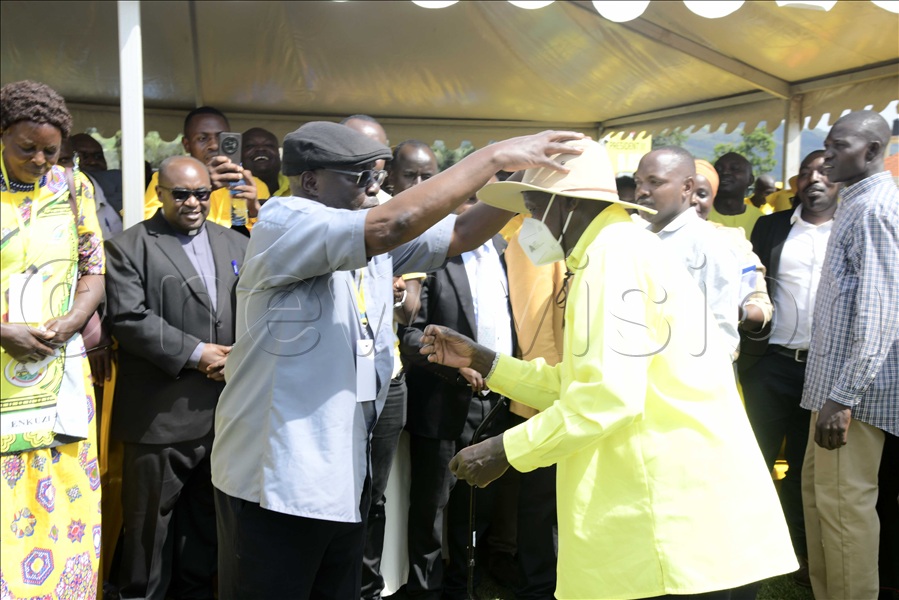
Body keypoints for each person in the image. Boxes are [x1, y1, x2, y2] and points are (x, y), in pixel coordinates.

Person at [209, 122, 584, 599]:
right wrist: (492, 156)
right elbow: (392, 225)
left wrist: (519, 179)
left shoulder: (364, 226)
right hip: (275, 481)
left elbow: (463, 231)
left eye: (379, 175)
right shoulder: (288, 220)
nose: (374, 187)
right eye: (359, 176)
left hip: (340, 477)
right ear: (310, 181)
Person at [419, 138, 797, 599]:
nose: (526, 226)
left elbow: (605, 398)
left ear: (567, 206)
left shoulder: (613, 260)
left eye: (532, 208)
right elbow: (583, 383)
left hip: (674, 521)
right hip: (682, 515)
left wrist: (504, 450)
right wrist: (487, 362)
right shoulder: (612, 250)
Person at [104, 155, 249, 600]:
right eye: (181, 194)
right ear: (159, 192)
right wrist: (196, 353)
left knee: (206, 536)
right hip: (160, 419)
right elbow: (129, 319)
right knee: (148, 538)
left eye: (202, 194)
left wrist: (241, 356)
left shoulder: (237, 244)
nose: (193, 203)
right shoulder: (129, 246)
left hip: (225, 417)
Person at [1, 80, 106, 599]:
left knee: (64, 495)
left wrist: (71, 322)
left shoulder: (73, 187)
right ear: (2, 135)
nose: (40, 159)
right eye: (27, 148)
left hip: (57, 371)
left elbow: (95, 269)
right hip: (3, 376)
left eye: (50, 150)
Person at [800, 110, 899, 600]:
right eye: (827, 144)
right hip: (832, 393)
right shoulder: (855, 202)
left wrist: (843, 398)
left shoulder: (875, 208)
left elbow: (880, 313)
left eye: (839, 146)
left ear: (873, 152)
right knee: (823, 503)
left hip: (849, 399)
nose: (826, 156)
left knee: (844, 510)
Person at [400, 214, 514, 598]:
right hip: (443, 399)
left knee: (477, 504)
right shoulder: (434, 257)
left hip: (499, 401)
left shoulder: (509, 253)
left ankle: (462, 586)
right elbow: (408, 333)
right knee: (432, 507)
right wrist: (457, 365)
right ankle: (425, 590)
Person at [739, 150, 839, 587]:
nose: (815, 179)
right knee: (752, 458)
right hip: (770, 363)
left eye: (825, 171)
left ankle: (797, 556)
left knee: (804, 468)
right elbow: (750, 284)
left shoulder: (852, 230)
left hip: (822, 371)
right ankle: (744, 550)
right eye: (807, 172)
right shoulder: (771, 226)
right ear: (795, 184)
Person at [361, 136, 438, 600]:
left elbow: (409, 309)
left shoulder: (403, 219)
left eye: (429, 177)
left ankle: (368, 586)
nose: (420, 185)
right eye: (413, 176)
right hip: (331, 380)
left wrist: (392, 294)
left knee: (375, 493)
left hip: (386, 378)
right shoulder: (312, 211)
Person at [635, 147, 741, 360]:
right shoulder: (636, 237)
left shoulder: (708, 245)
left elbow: (723, 337)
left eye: (655, 182)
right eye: (638, 182)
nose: (642, 191)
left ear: (687, 187)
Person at [143, 106, 266, 234]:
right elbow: (149, 229)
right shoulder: (166, 179)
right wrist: (203, 186)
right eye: (202, 138)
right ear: (187, 145)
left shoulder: (253, 185)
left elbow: (266, 243)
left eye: (220, 138)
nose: (213, 145)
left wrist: (254, 212)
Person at [711, 152, 763, 239]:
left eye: (734, 169)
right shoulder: (699, 216)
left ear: (750, 180)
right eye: (718, 169)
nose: (725, 172)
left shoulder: (761, 220)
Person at [242, 127, 289, 197]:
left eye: (269, 145)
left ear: (279, 153)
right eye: (250, 146)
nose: (261, 148)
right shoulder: (227, 191)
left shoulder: (297, 188)